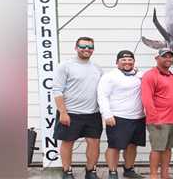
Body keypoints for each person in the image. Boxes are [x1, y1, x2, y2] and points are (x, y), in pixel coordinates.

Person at [53, 37, 103, 179]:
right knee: (68, 142)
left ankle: (90, 171)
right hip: (70, 113)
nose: (86, 49)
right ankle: (67, 171)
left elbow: (106, 87)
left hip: (93, 113)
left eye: (90, 47)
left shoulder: (97, 68)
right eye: (83, 46)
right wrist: (63, 112)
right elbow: (57, 90)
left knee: (94, 143)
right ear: (76, 48)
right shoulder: (66, 66)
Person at [97, 50, 146, 179]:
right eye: (123, 60)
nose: (127, 62)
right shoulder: (110, 76)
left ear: (134, 62)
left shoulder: (139, 75)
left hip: (138, 117)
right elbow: (102, 96)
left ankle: (129, 169)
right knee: (114, 146)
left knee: (132, 146)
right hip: (117, 117)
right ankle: (112, 172)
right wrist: (106, 114)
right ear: (117, 62)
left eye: (130, 60)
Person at [141, 48, 173, 179]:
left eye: (170, 57)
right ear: (157, 58)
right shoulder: (150, 75)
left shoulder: (172, 76)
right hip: (159, 120)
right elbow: (146, 99)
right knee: (157, 148)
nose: (168, 59)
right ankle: (153, 175)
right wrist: (154, 118)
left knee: (168, 148)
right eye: (164, 56)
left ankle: (164, 175)